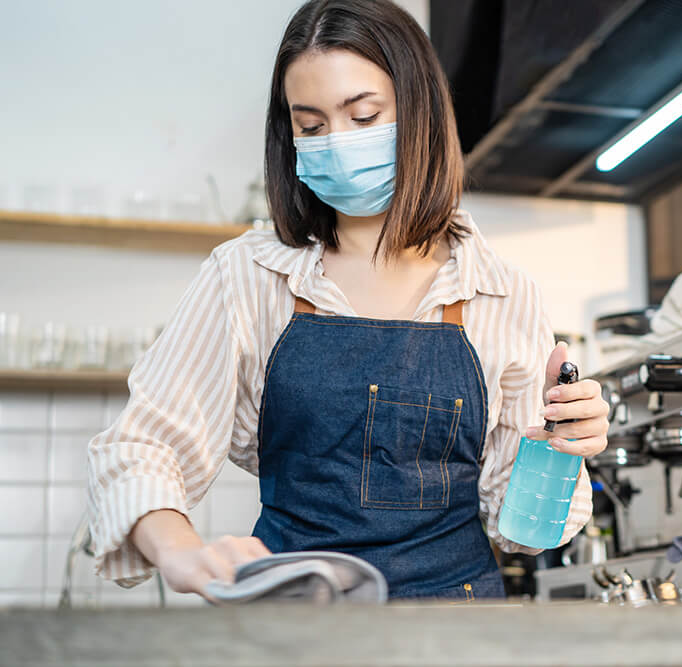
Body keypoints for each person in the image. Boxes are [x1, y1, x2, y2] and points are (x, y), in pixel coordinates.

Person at [87, 0, 609, 601]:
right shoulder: (249, 276)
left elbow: (524, 534)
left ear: (420, 116)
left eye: (363, 117)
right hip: (295, 626)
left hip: (459, 631)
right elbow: (141, 448)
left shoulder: (502, 292)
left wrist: (559, 447)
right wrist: (179, 551)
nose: (336, 143)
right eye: (311, 127)